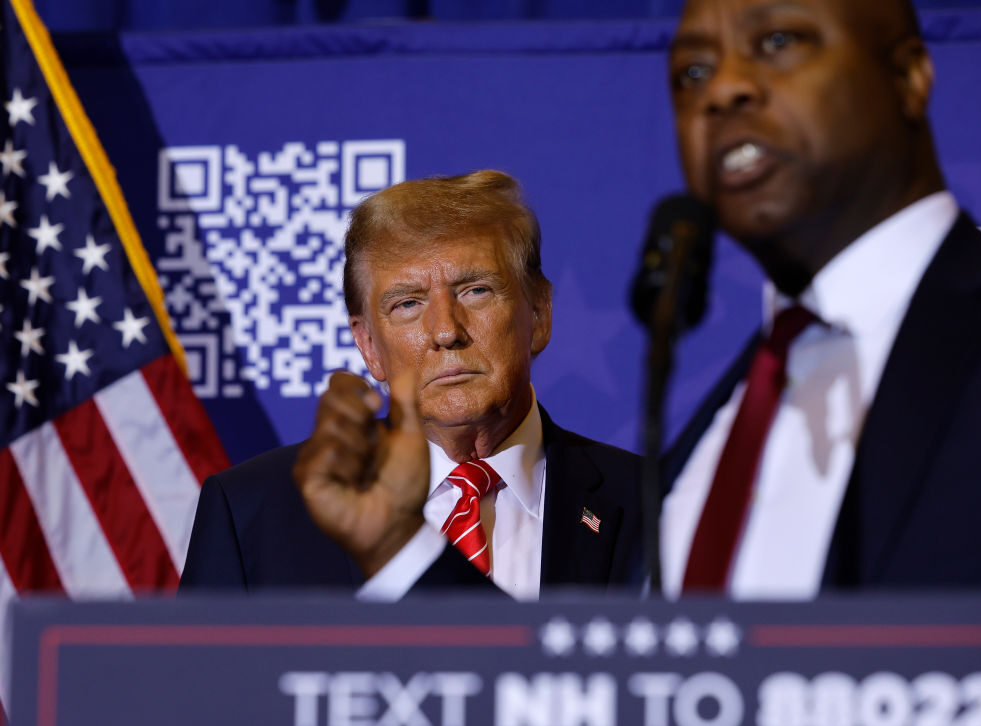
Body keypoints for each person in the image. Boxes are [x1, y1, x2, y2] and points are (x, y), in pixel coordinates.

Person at [660, 0, 981, 598]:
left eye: (778, 40)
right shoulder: (714, 431)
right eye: (692, 74)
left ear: (909, 77)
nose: (722, 89)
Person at [179, 170, 641, 599]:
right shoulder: (254, 515)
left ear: (538, 315)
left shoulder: (652, 505)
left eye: (475, 291)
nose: (446, 331)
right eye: (407, 304)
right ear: (368, 345)